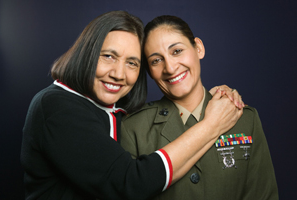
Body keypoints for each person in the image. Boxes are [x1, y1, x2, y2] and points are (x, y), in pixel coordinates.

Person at [21, 11, 242, 200]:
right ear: (86, 54)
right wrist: (213, 123)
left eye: (132, 63)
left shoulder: (116, 111)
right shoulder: (56, 105)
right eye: (108, 56)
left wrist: (215, 96)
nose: (118, 74)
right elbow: (131, 183)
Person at [121, 15, 278, 200]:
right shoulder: (133, 128)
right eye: (156, 60)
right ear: (149, 72)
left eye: (177, 51)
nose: (170, 68)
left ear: (199, 48)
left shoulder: (245, 118)